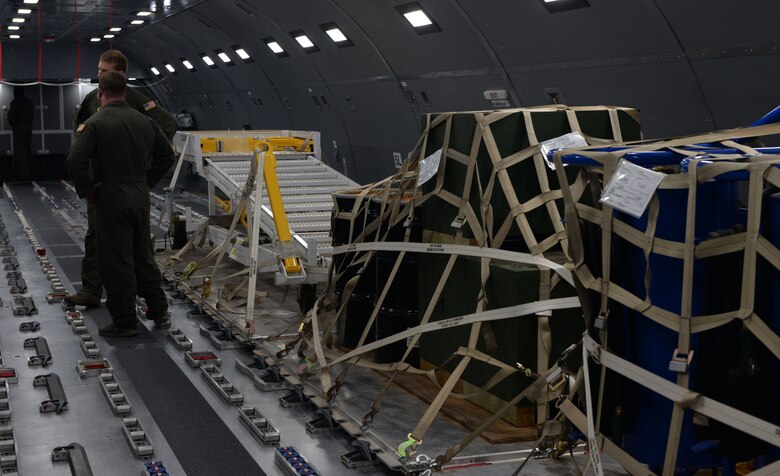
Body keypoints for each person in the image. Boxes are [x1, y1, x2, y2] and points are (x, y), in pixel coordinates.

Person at [65, 50, 177, 308]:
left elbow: (166, 126)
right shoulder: (92, 98)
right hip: (102, 182)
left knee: (134, 249)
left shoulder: (136, 99)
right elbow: (79, 127)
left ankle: (135, 302)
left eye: (105, 71)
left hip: (125, 183)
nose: (99, 75)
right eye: (99, 70)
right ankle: (92, 289)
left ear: (120, 75)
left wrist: (144, 169)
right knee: (96, 238)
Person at [7, 86, 35, 183]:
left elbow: (11, 116)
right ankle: (29, 175)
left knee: (20, 153)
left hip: (18, 130)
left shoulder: (15, 102)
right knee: (27, 151)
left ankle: (23, 178)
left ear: (16, 93)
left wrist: (12, 122)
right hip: (28, 129)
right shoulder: (30, 103)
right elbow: (31, 117)